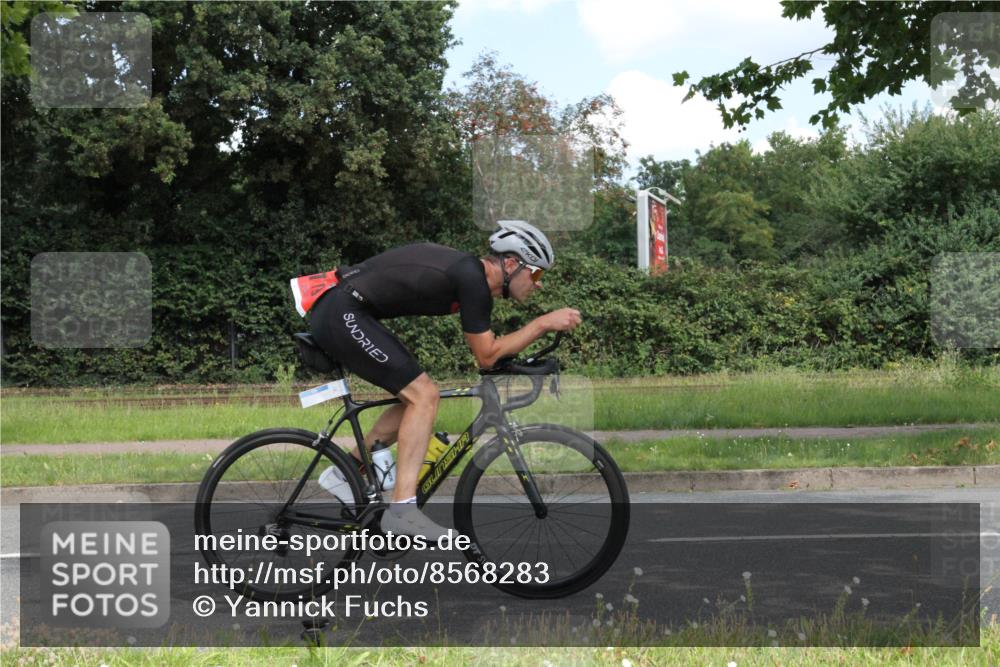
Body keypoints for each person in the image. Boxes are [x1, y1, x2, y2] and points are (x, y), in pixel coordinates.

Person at [300, 221, 581, 539]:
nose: (538, 285)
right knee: (424, 396)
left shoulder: (473, 280)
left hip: (347, 309)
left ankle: (345, 471)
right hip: (343, 311)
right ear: (513, 263)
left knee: (416, 398)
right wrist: (542, 324)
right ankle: (403, 511)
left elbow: (488, 353)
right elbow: (487, 355)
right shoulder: (471, 278)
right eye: (537, 273)